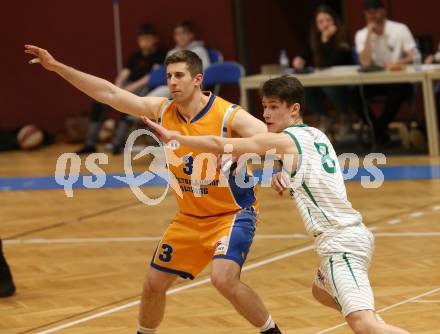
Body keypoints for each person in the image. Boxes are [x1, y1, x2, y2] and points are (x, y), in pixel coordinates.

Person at [24, 45, 281, 334]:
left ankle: (272, 332)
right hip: (190, 218)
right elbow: (109, 93)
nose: (172, 82)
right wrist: (58, 67)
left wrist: (249, 155)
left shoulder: (227, 116)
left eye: (179, 75)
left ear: (197, 80)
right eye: (169, 75)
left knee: (223, 279)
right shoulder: (162, 111)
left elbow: (271, 138)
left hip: (232, 214)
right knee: (153, 284)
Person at [144, 75, 410, 334]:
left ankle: (376, 325)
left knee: (363, 325)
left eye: (274, 107)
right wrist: (283, 173)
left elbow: (219, 143)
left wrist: (176, 139)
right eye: (264, 107)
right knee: (321, 290)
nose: (266, 114)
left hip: (342, 244)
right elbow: (300, 163)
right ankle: (375, 321)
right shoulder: (316, 135)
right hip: (352, 237)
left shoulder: (284, 141)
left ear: (294, 109)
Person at [77, 23, 166, 155]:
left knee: (127, 105)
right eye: (142, 39)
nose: (145, 42)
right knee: (98, 104)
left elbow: (150, 77)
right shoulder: (135, 56)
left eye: (148, 38)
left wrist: (129, 88)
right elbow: (125, 72)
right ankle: (90, 143)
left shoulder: (160, 54)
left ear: (155, 39)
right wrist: (116, 86)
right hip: (127, 86)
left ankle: (117, 143)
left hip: (144, 89)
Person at [355, 0, 416, 144]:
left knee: (399, 90)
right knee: (353, 94)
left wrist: (399, 63)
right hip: (374, 82)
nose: (373, 15)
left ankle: (377, 130)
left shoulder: (400, 29)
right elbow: (365, 62)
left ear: (383, 11)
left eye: (376, 11)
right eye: (369, 12)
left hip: (398, 80)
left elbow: (413, 56)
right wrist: (370, 33)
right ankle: (380, 130)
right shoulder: (361, 34)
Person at [292, 6, 355, 137]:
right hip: (323, 81)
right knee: (304, 89)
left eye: (328, 20)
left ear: (335, 21)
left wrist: (326, 40)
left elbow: (330, 63)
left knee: (330, 87)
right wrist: (299, 60)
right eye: (321, 22)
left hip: (345, 80)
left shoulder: (342, 37)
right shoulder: (314, 38)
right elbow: (303, 55)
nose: (325, 24)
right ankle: (324, 116)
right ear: (316, 25)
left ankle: (345, 117)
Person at [147, 20, 211, 98]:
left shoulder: (199, 51)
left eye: (183, 33)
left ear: (191, 35)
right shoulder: (171, 52)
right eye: (177, 34)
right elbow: (168, 74)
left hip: (193, 86)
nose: (180, 37)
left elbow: (204, 73)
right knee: (156, 96)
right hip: (172, 86)